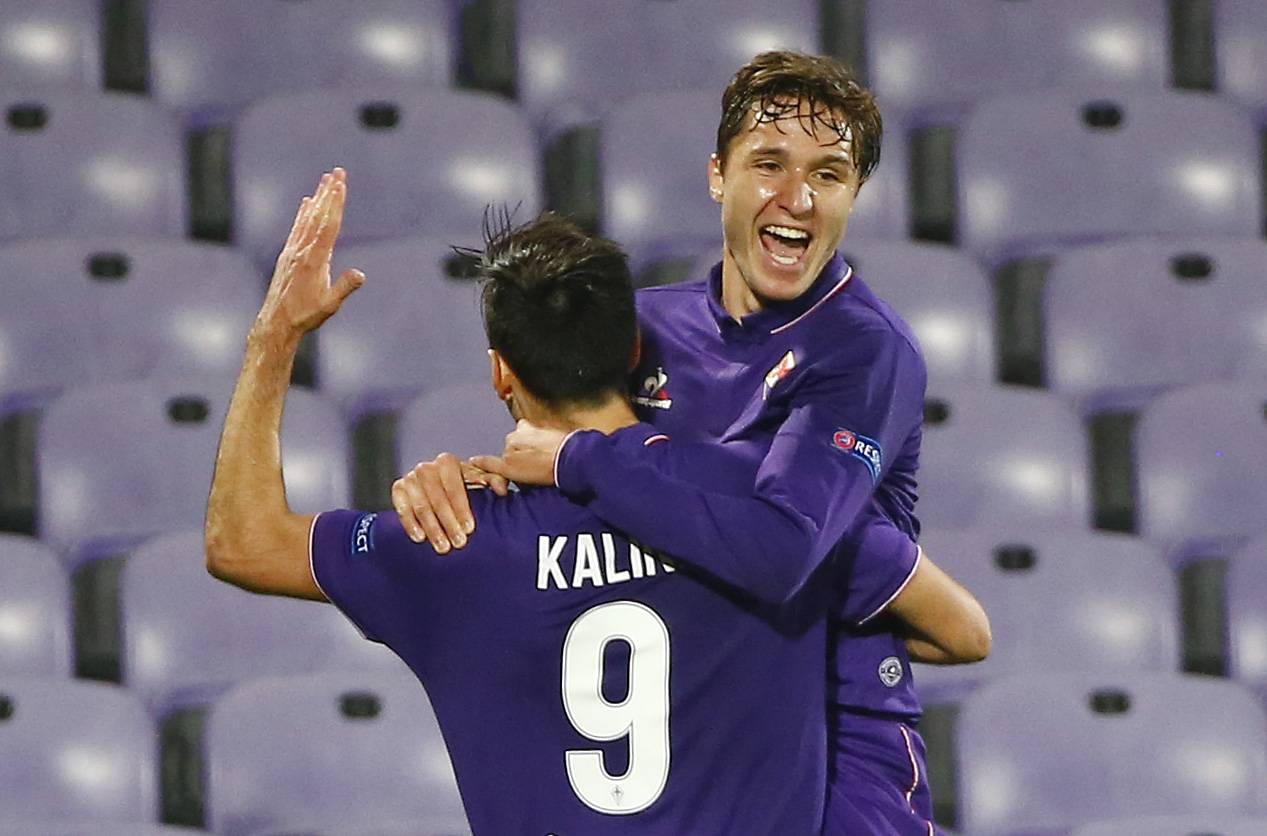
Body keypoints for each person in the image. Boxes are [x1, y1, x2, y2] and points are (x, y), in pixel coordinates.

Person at [205, 169, 921, 834]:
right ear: (637, 350)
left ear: (500, 374)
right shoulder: (766, 502)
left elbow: (242, 543)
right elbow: (959, 631)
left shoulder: (450, 540)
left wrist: (275, 337)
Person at [391, 51, 990, 835]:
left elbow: (782, 552)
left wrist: (577, 462)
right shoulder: (644, 325)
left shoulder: (863, 352)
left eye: (830, 175)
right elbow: (549, 459)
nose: (797, 199)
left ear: (854, 194)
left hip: (842, 750)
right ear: (718, 175)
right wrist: (458, 485)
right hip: (694, 732)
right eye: (768, 164)